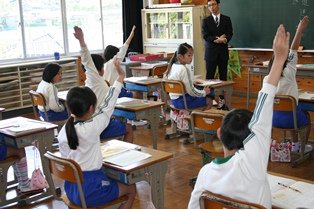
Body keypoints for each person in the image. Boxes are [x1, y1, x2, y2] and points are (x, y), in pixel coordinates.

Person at [188, 24, 291, 209]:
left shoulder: (205, 173)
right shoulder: (253, 165)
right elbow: (263, 112)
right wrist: (280, 60)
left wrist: (278, 60)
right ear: (253, 139)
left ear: (219, 133)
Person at [57, 85, 136, 208]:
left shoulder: (64, 130)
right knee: (131, 188)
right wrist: (119, 78)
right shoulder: (91, 128)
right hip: (90, 190)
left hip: (72, 190)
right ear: (91, 108)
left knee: (109, 179)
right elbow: (107, 105)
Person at [73, 26, 133, 142]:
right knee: (128, 128)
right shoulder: (94, 78)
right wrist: (81, 41)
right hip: (99, 124)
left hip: (95, 121)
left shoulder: (90, 81)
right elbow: (87, 60)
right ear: (100, 69)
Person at [271, 16, 311, 152]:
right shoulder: (289, 73)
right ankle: (303, 148)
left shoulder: (267, 80)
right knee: (304, 114)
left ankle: (294, 145)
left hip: (274, 120)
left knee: (290, 109)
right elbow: (293, 50)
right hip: (291, 120)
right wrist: (300, 29)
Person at [164, 42, 213, 110]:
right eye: (189, 55)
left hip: (174, 100)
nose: (191, 58)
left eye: (191, 55)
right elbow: (191, 91)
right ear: (180, 56)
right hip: (183, 101)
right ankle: (196, 119)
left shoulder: (172, 66)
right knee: (209, 100)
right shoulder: (184, 69)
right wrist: (204, 92)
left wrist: (191, 83)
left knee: (199, 90)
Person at [202, 0, 233, 81]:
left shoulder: (226, 19)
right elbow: (205, 35)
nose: (211, 7)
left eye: (213, 4)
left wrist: (225, 39)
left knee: (223, 76)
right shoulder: (206, 21)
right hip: (210, 53)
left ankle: (222, 94)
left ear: (218, 5)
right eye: (209, 5)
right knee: (209, 77)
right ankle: (209, 94)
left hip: (223, 53)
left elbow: (230, 33)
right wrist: (217, 39)